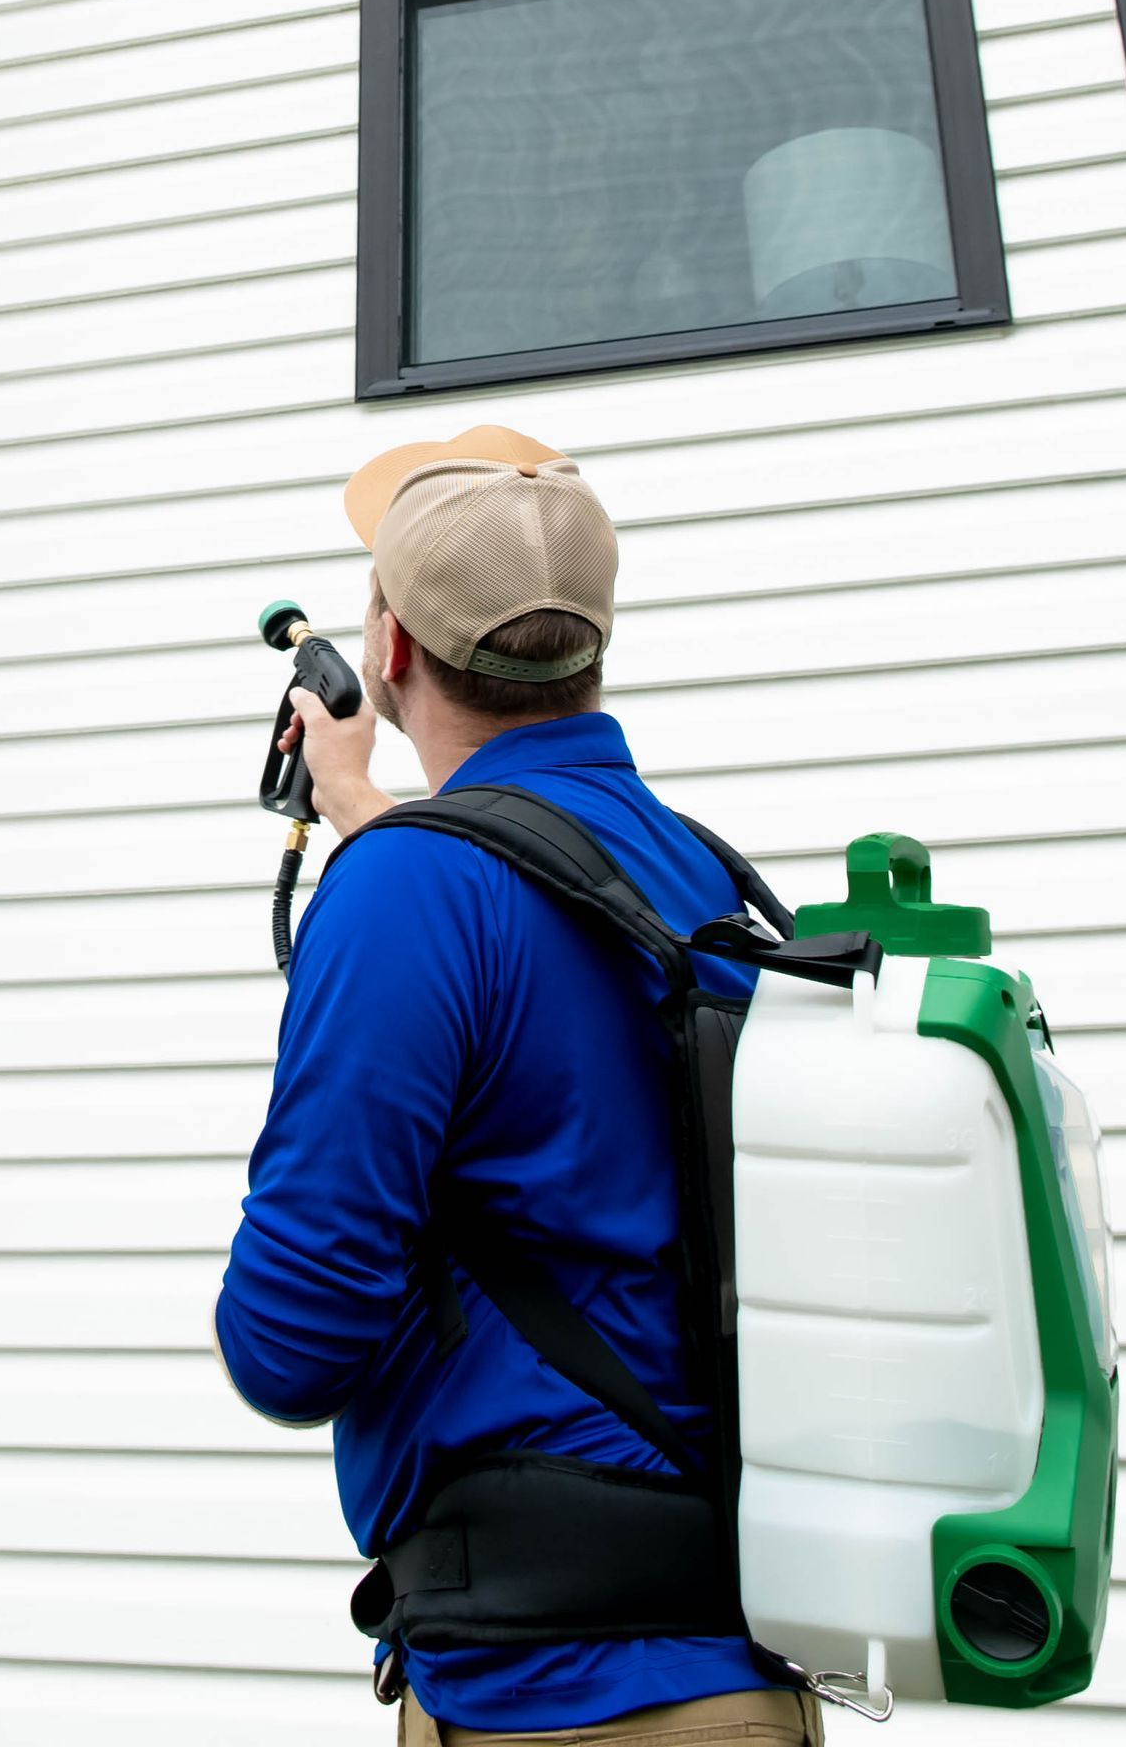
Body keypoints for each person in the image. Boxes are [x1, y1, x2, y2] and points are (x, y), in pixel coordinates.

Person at [215, 424, 823, 1747]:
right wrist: (362, 802)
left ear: (383, 655)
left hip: (550, 1703)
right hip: (742, 1677)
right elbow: (523, 921)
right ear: (591, 649)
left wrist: (374, 853)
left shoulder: (410, 895)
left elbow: (288, 1342)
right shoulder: (697, 881)